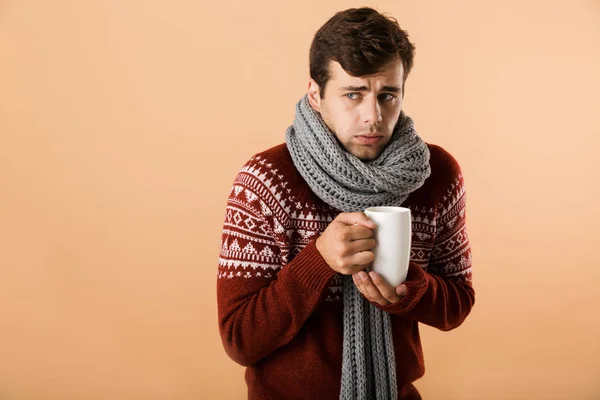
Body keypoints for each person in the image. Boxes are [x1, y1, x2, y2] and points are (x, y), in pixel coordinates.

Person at [216, 7, 474, 400]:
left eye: (388, 95)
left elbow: (457, 304)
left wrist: (409, 287)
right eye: (353, 94)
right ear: (316, 95)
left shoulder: (436, 175)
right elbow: (240, 339)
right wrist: (318, 260)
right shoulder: (266, 180)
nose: (373, 116)